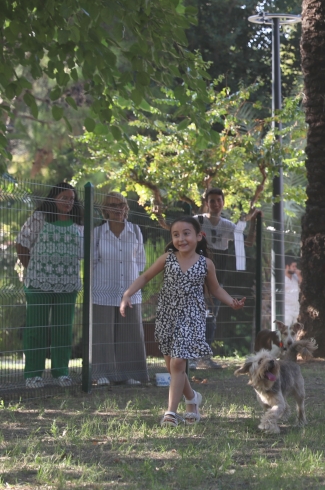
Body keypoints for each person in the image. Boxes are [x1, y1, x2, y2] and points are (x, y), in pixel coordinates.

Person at [120, 216, 245, 427]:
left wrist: (231, 302)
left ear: (198, 236)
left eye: (186, 233)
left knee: (178, 363)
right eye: (175, 235)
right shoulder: (167, 259)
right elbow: (145, 277)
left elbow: (215, 289)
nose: (181, 239)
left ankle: (170, 412)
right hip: (167, 316)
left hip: (192, 316)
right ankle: (192, 398)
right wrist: (127, 294)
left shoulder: (206, 264)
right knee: (172, 365)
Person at [16, 182, 84, 389]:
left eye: (71, 199)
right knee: (36, 329)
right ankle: (33, 375)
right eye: (64, 198)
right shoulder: (39, 218)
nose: (68, 202)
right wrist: (34, 269)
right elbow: (21, 244)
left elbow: (83, 252)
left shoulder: (78, 223)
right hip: (39, 283)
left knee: (62, 329)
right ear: (53, 198)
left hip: (68, 284)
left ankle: (61, 373)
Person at [194, 188, 260, 369]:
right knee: (193, 316)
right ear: (206, 203)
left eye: (218, 200)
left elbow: (248, 242)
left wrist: (253, 222)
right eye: (212, 201)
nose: (215, 204)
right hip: (195, 278)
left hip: (216, 279)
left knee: (210, 317)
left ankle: (204, 358)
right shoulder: (196, 222)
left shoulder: (229, 226)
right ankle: (190, 357)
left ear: (223, 203)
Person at [91, 192, 148, 386]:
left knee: (131, 333)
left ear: (126, 208)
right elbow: (91, 261)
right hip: (103, 289)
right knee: (103, 334)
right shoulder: (98, 232)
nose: (118, 209)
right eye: (113, 206)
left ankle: (130, 374)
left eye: (122, 205)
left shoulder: (136, 231)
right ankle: (102, 374)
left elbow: (140, 261)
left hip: (130, 290)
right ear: (105, 210)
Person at [283, 259, 300, 325]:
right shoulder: (282, 279)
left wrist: (299, 275)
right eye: (293, 266)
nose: (295, 268)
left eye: (296, 266)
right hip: (286, 309)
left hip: (296, 308)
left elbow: (303, 285)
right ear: (287, 266)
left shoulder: (295, 277)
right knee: (287, 328)